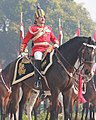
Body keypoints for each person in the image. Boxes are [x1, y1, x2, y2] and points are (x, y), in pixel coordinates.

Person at [20, 5, 59, 89]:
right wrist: (22, 51)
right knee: (38, 56)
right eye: (41, 17)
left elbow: (54, 38)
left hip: (48, 48)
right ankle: (37, 80)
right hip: (38, 49)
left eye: (44, 17)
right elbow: (25, 41)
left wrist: (56, 43)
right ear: (36, 19)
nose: (43, 19)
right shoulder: (33, 29)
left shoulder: (48, 28)